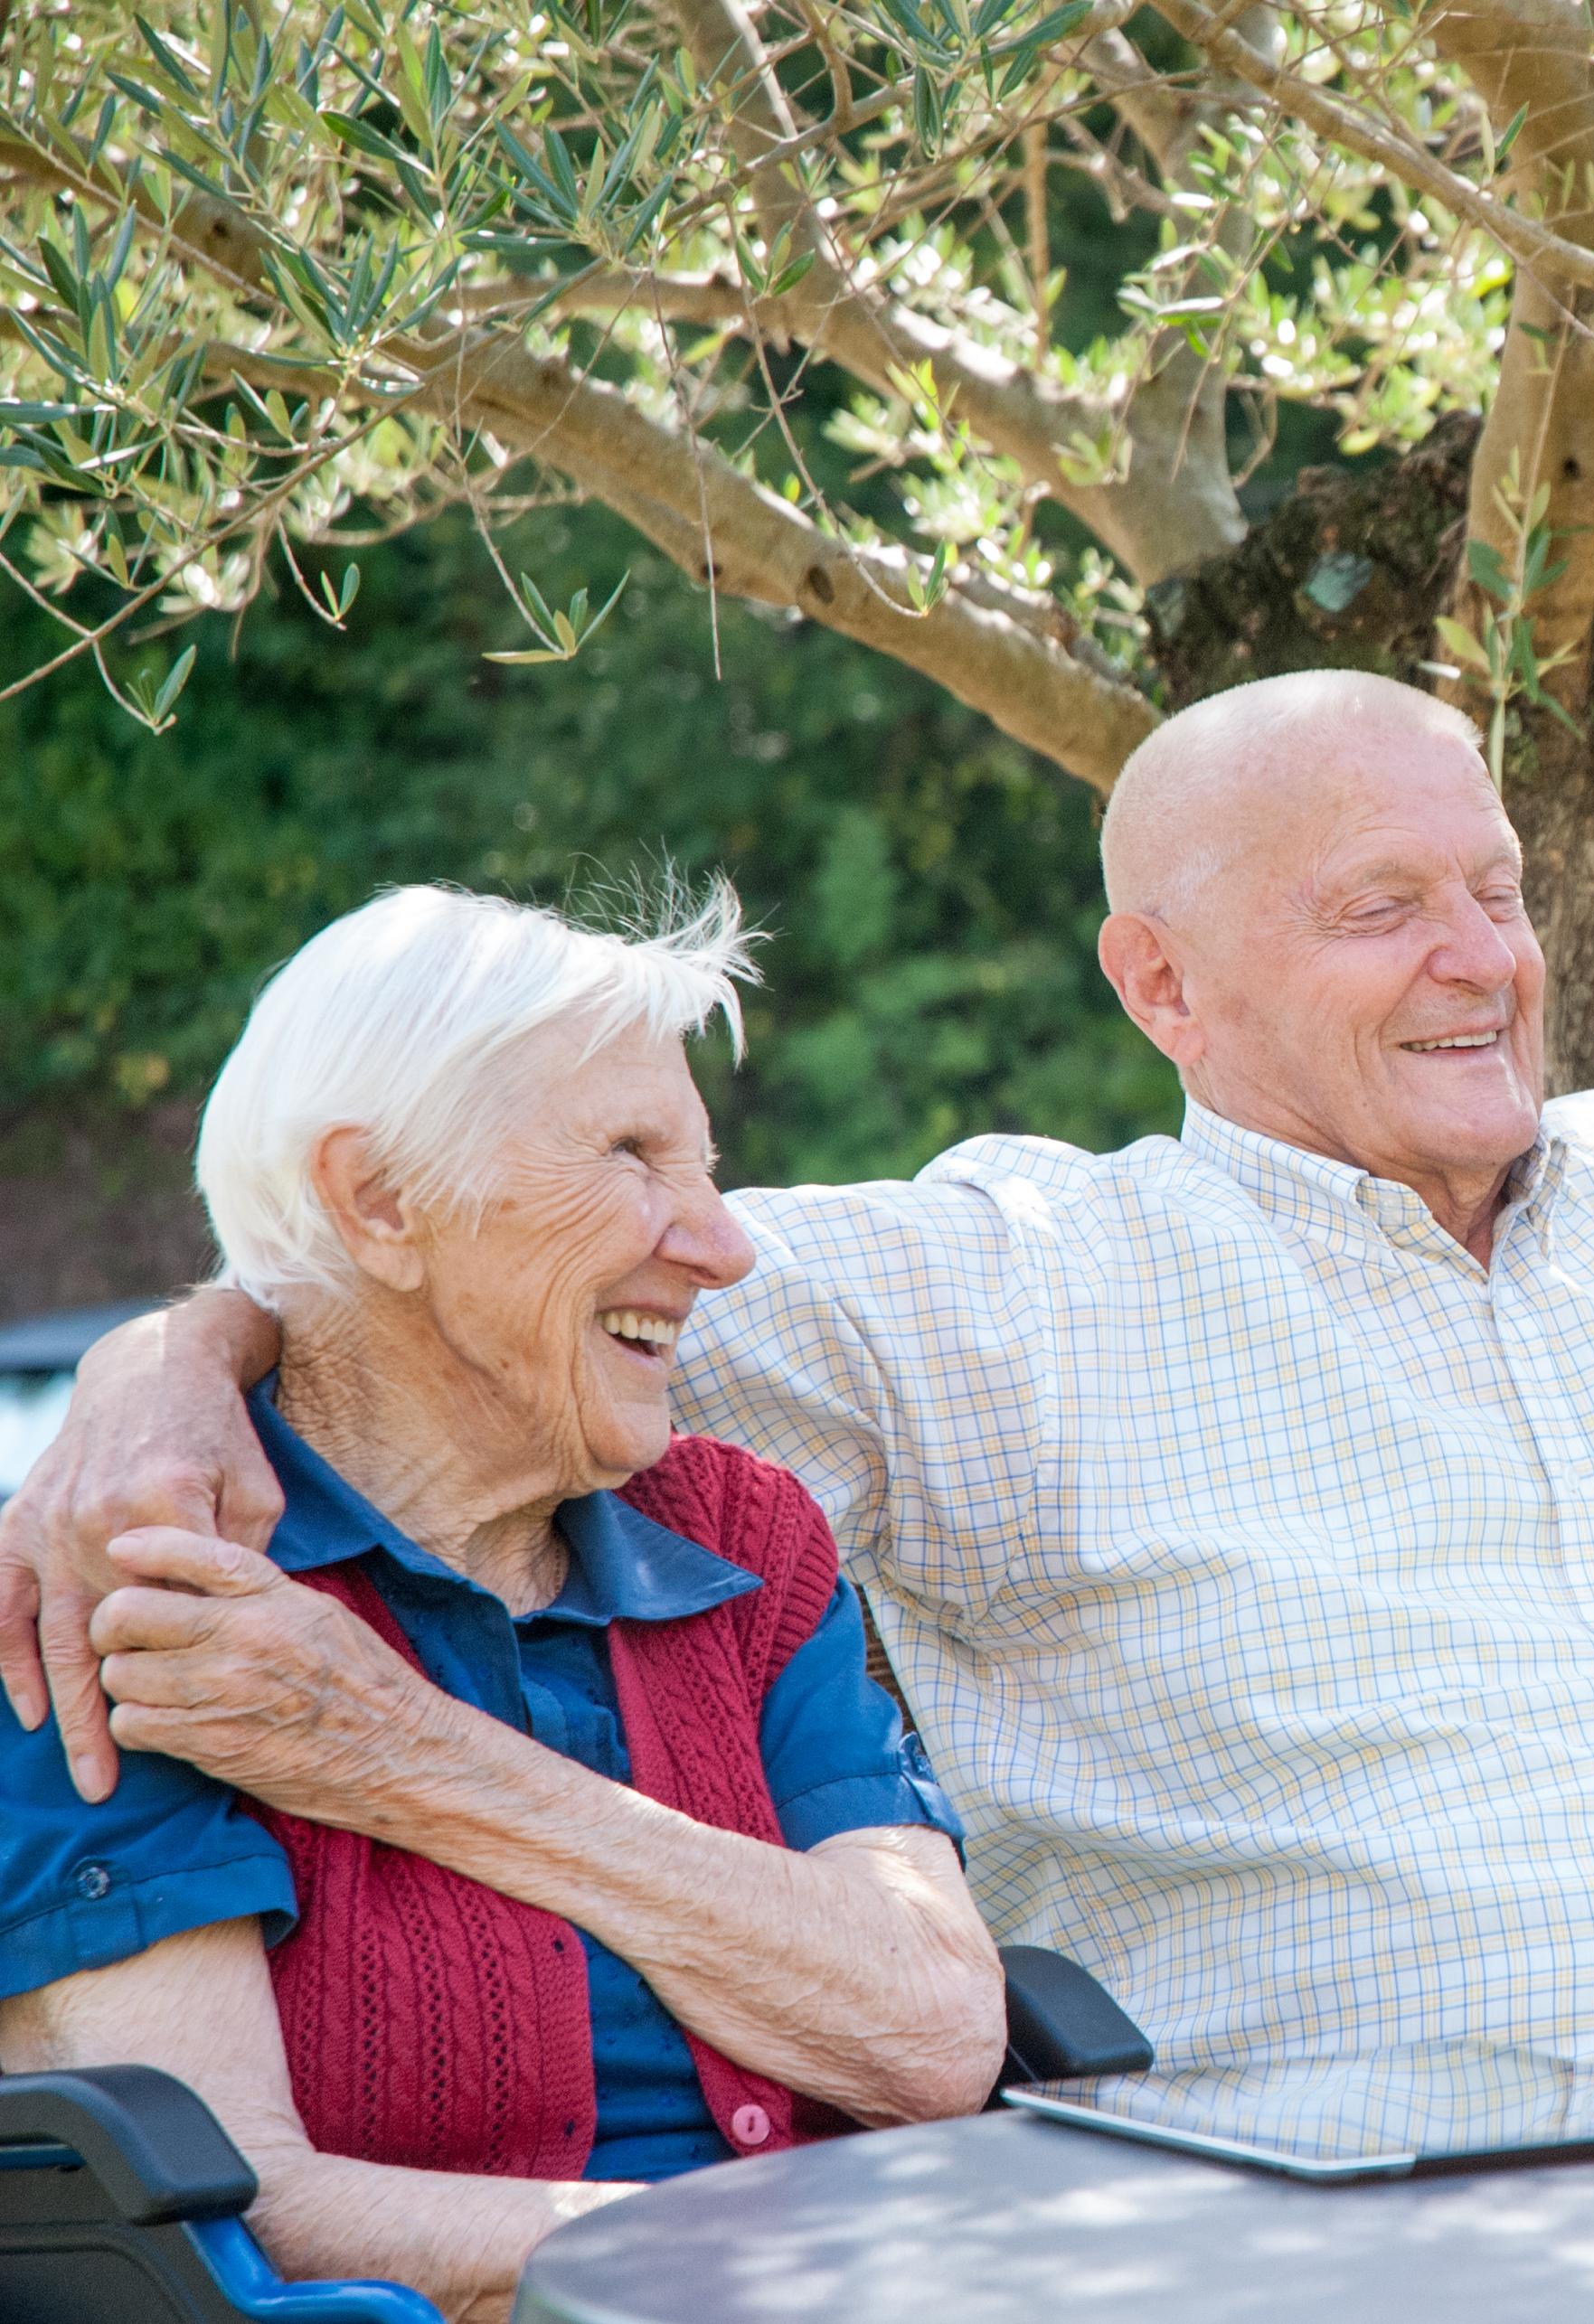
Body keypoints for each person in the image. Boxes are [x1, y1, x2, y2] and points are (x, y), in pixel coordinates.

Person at [5, 670, 1594, 2076]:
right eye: (1382, 905)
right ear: (1163, 982)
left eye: (1495, 885)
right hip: (1386, 2235)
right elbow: (484, 1255)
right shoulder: (1004, 1284)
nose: (1485, 956)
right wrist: (175, 1347)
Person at [0, 885, 1001, 2319]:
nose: (724, 1244)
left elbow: (931, 2035)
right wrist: (744, 2265)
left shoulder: (737, 1537)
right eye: (633, 1157)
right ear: (382, 1200)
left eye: (706, 1166)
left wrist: (402, 1754)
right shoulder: (140, 1584)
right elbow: (233, 2218)